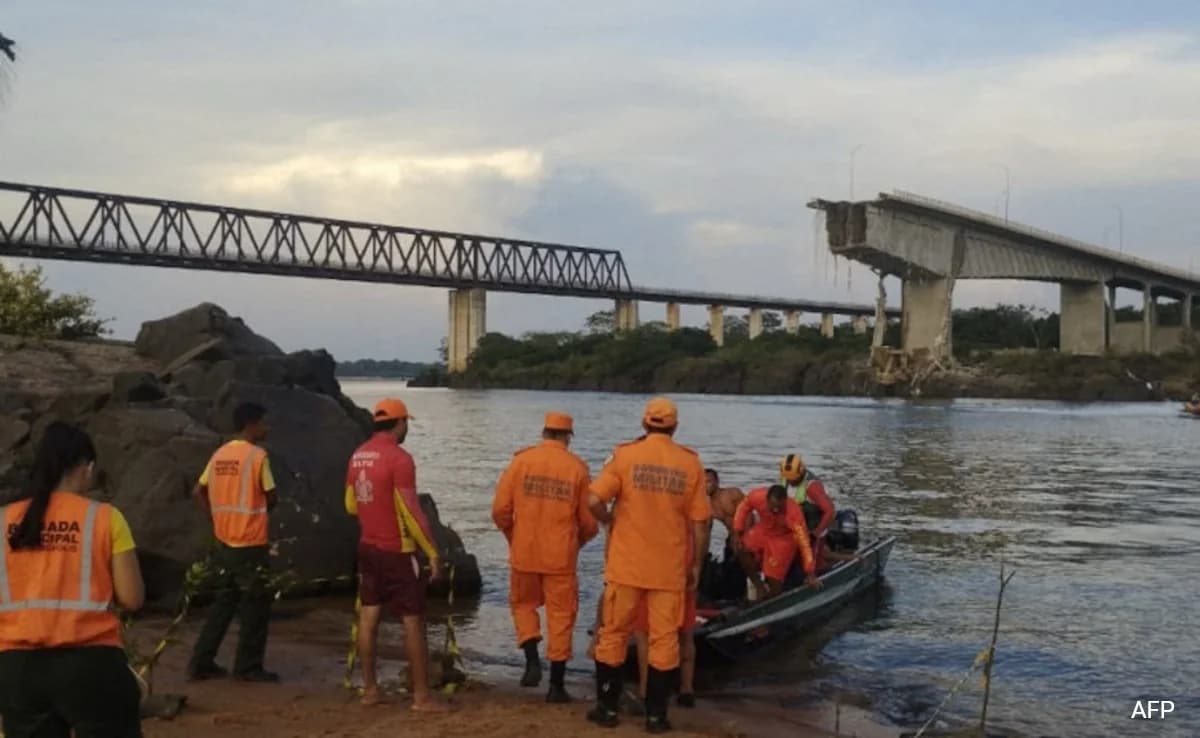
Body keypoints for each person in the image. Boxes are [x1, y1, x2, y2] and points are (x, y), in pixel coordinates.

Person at [0, 421, 146, 738]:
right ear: (86, 467)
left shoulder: (4, 520)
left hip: (18, 669)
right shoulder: (106, 518)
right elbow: (132, 597)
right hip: (91, 664)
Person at [587, 397, 711, 733]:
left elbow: (593, 499)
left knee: (613, 634)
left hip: (626, 566)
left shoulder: (625, 456)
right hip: (668, 570)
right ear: (675, 426)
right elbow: (700, 522)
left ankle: (607, 710)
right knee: (664, 640)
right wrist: (696, 565)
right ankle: (657, 717)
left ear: (644, 424)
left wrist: (608, 520)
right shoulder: (690, 464)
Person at [345, 398, 447, 711]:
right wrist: (432, 552)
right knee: (413, 622)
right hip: (397, 551)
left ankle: (371, 691)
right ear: (400, 423)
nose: (407, 429)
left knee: (369, 617)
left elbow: (350, 504)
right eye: (407, 423)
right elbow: (412, 511)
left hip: (368, 546)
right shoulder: (400, 459)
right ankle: (421, 698)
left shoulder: (358, 454)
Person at [491, 412, 598, 702]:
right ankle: (556, 687)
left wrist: (515, 537)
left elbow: (500, 510)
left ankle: (531, 660)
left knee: (523, 605)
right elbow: (589, 522)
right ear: (567, 436)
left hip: (524, 552)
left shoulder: (520, 462)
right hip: (560, 557)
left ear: (544, 432)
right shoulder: (577, 468)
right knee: (561, 617)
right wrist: (577, 543)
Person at [188, 401, 279, 683]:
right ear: (251, 424)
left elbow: (197, 492)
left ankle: (202, 661)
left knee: (224, 603)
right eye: (263, 422)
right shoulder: (257, 456)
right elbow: (271, 495)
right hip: (250, 542)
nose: (267, 427)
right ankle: (248, 666)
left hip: (225, 540)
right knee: (255, 605)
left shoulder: (220, 455)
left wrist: (216, 518)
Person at [732, 485, 821, 600]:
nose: (775, 510)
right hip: (764, 530)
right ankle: (759, 586)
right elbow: (743, 507)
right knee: (741, 547)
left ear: (785, 502)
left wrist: (810, 572)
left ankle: (772, 597)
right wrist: (737, 531)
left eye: (779, 507)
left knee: (773, 577)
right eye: (772, 506)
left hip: (783, 538)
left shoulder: (793, 514)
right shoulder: (756, 496)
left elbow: (804, 543)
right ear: (767, 499)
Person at [779, 454, 835, 571]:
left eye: (793, 479)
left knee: (813, 566)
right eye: (788, 478)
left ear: (801, 472)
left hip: (813, 527)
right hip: (795, 528)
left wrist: (816, 533)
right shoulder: (785, 478)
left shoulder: (812, 487)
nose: (790, 481)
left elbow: (830, 511)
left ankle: (824, 566)